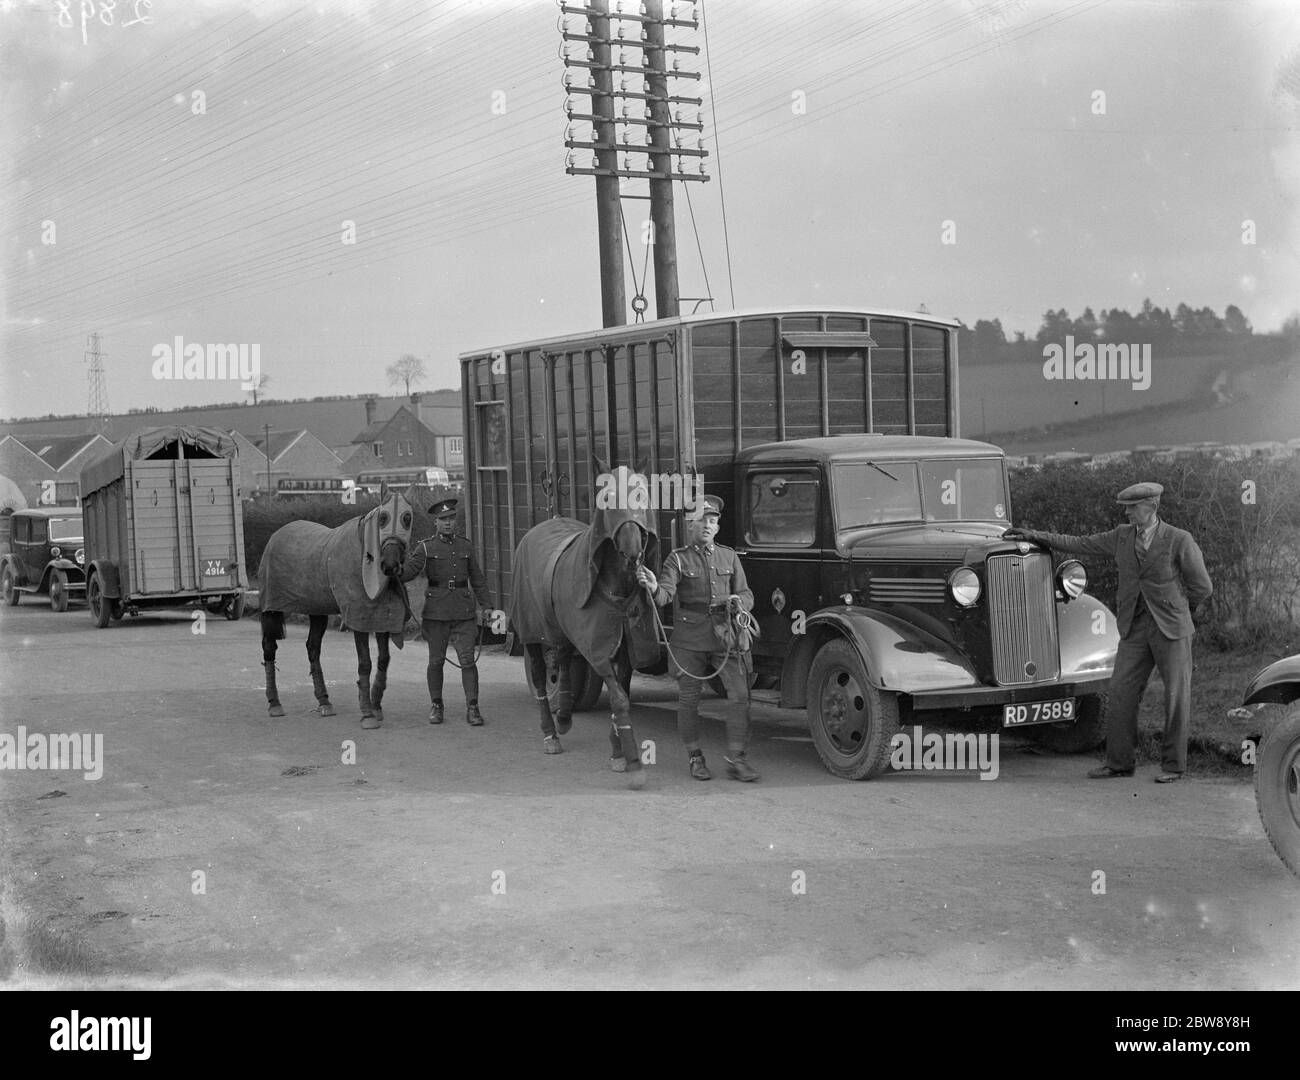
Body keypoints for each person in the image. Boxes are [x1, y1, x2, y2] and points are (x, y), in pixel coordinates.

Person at [1005, 481, 1213, 783]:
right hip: (1134, 628)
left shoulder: (1179, 540)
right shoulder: (1121, 536)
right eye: (1125, 507)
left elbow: (1202, 587)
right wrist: (1035, 535)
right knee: (1119, 691)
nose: (1127, 512)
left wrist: (1178, 608)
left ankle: (1173, 766)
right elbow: (1079, 543)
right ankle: (1119, 763)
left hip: (1172, 628)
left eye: (1133, 507)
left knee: (1176, 697)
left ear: (1152, 507)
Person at [636, 494, 760, 782]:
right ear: (690, 525)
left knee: (740, 696)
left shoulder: (728, 556)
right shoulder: (677, 559)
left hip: (725, 640)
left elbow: (747, 594)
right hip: (689, 640)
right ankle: (695, 757)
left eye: (712, 521)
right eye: (702, 521)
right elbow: (665, 595)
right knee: (689, 700)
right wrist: (654, 587)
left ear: (717, 528)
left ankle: (736, 759)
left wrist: (739, 602)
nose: (707, 526)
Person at [402, 496, 491, 726]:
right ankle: (437, 705)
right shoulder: (425, 547)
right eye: (443, 519)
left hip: (464, 612)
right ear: (436, 523)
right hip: (436, 614)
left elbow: (478, 579)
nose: (448, 523)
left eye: (451, 518)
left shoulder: (466, 546)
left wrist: (487, 606)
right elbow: (409, 572)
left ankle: (473, 707)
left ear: (456, 521)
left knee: (468, 661)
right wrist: (391, 568)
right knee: (436, 662)